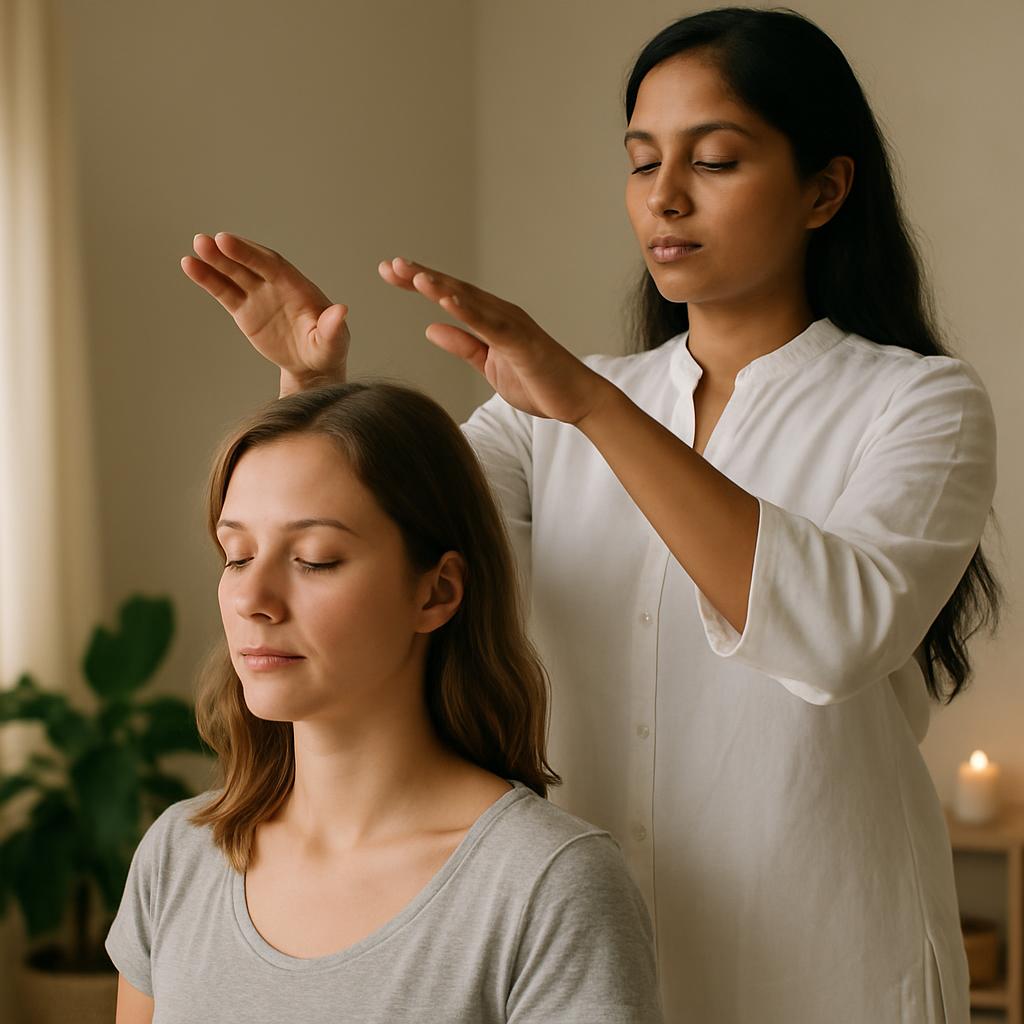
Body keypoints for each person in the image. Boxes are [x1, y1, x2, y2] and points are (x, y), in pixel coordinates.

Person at [180, 8, 1003, 1022]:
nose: (664, 195)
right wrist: (315, 388)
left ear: (824, 189)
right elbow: (392, 558)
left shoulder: (917, 403)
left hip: (827, 962)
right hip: (577, 954)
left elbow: (836, 636)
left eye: (714, 160)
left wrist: (592, 407)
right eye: (642, 160)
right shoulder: (548, 414)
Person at [105, 383, 663, 1024]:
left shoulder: (547, 885)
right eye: (238, 556)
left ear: (437, 592)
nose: (252, 598)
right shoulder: (179, 854)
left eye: (314, 560)